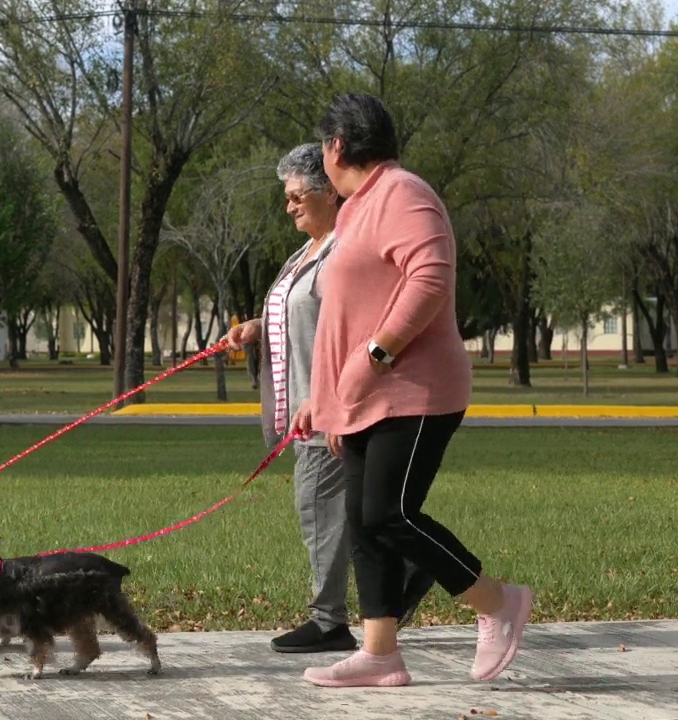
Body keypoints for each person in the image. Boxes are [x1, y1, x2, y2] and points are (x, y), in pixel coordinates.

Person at [294, 92, 532, 688]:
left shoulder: (403, 192)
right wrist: (324, 400)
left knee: (390, 513)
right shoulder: (354, 211)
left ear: (336, 147)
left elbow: (429, 279)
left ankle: (498, 602)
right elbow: (343, 316)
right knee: (364, 524)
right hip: (363, 400)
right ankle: (380, 655)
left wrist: (377, 356)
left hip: (415, 391)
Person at [223, 143, 434, 656]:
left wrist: (327, 396)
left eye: (298, 196)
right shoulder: (307, 252)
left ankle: (329, 620)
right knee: (354, 513)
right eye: (287, 197)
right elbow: (301, 313)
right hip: (305, 402)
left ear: (329, 193)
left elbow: (352, 327)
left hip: (328, 406)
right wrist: (256, 326)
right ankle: (409, 570)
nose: (289, 206)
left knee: (318, 507)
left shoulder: (344, 249)